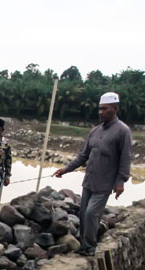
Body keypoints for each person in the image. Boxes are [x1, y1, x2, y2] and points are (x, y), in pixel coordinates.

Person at [53, 92, 132, 256]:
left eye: (105, 109)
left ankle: (90, 247)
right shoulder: (95, 131)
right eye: (100, 109)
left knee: (91, 214)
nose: (101, 112)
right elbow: (83, 156)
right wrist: (65, 169)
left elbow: (125, 158)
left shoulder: (123, 131)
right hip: (89, 181)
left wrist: (120, 182)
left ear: (115, 108)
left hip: (105, 183)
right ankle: (83, 245)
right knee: (83, 214)